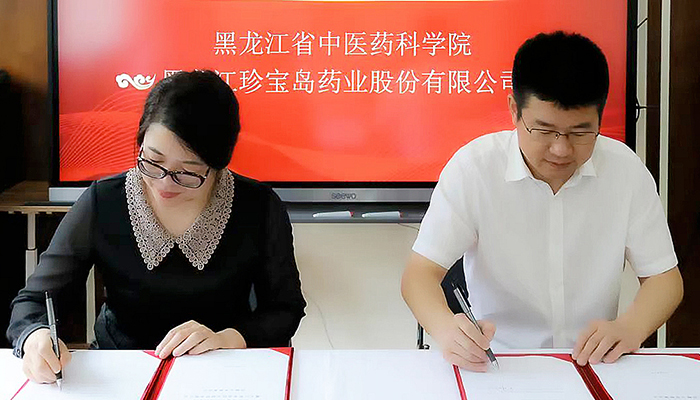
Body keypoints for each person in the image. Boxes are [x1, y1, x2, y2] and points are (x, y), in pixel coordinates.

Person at [401, 31, 683, 372]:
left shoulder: (625, 171)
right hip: (501, 364)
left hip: (595, 363)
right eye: (545, 130)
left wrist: (630, 327)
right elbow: (420, 275)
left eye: (580, 132)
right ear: (514, 110)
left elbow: (664, 279)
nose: (561, 149)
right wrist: (447, 330)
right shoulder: (474, 169)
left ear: (599, 118)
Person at [7, 70, 307, 384]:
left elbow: (285, 309)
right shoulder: (104, 201)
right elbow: (32, 302)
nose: (164, 183)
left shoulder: (258, 206)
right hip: (121, 370)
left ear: (218, 165)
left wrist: (228, 338)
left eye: (187, 172)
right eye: (152, 161)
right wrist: (35, 337)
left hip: (223, 370)